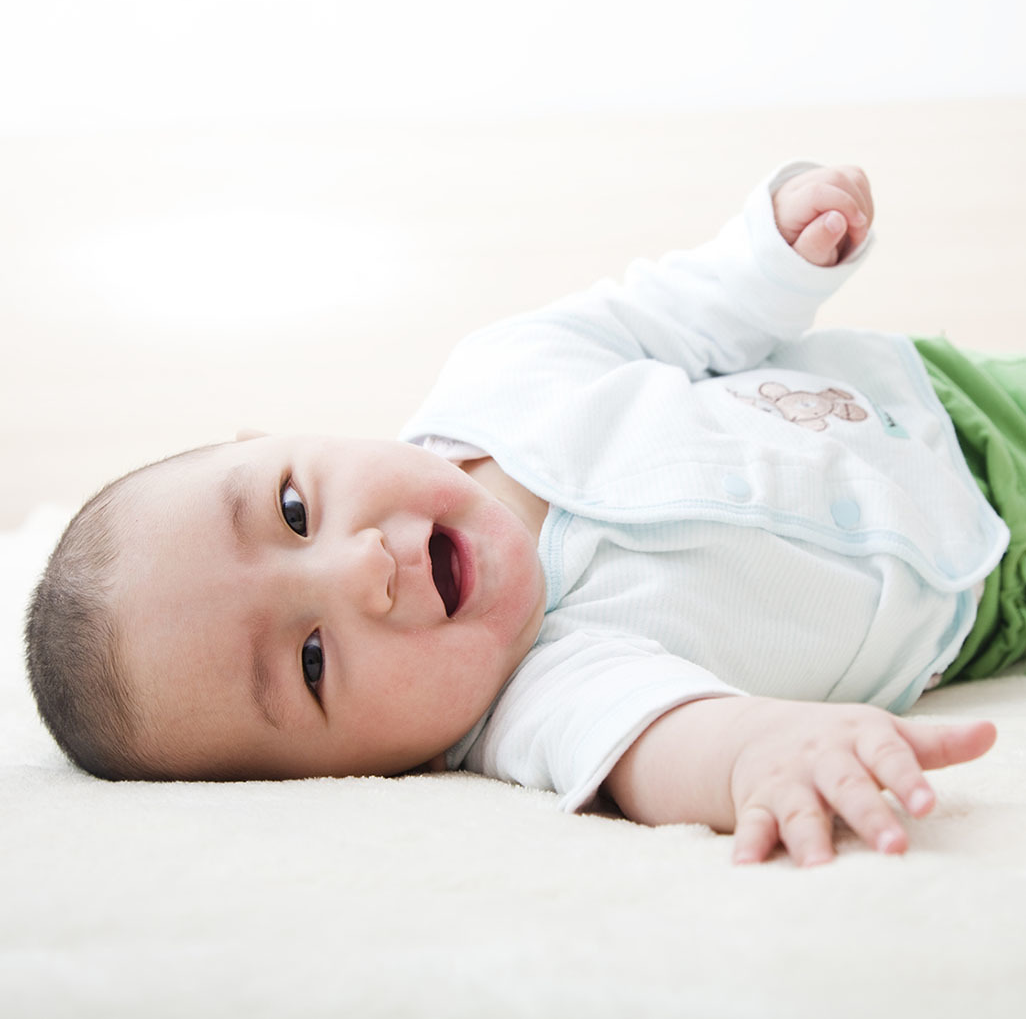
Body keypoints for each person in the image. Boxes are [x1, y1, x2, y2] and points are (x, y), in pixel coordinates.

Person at [26, 162, 1023, 868]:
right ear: (363, 769)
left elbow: (671, 313)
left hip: (936, 392)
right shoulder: (539, 697)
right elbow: (671, 744)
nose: (359, 570)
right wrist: (761, 754)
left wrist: (772, 253)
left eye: (294, 511)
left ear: (275, 436)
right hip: (985, 591)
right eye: (313, 662)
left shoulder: (498, 378)